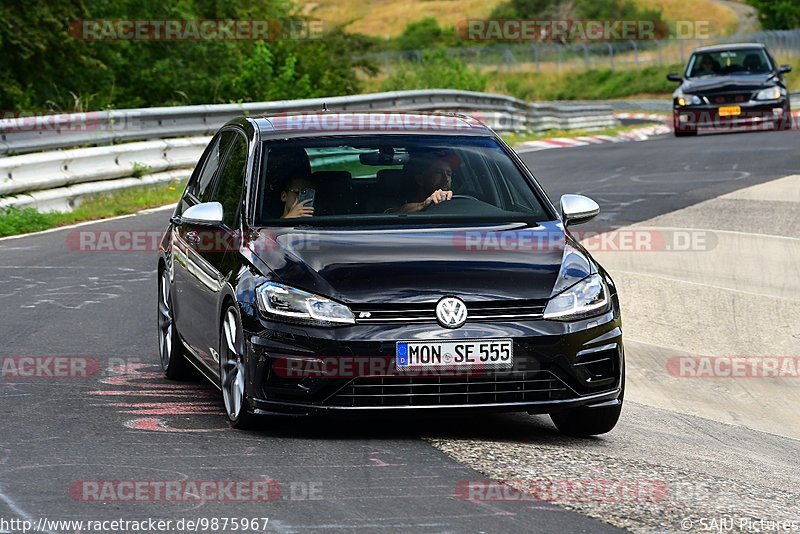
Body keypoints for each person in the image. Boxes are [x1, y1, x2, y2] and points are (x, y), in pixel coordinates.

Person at [389, 155, 456, 213]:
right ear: (420, 180)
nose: (446, 179)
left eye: (449, 174)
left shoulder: (457, 202)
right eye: (438, 172)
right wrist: (425, 204)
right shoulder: (398, 200)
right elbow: (397, 213)